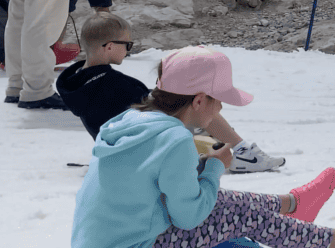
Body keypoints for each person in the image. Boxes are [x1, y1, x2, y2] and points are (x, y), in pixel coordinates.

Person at [70, 46, 335, 248]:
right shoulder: (173, 139)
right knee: (239, 216)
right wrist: (215, 166)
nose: (221, 111)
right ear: (199, 100)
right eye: (218, 102)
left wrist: (204, 171)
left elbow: (154, 185)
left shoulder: (128, 122)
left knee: (219, 200)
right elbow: (189, 216)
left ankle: (291, 205)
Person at [57, 14, 286, 169]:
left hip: (113, 146)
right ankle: (245, 153)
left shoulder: (70, 81)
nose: (129, 50)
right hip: (143, 150)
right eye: (127, 45)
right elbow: (160, 109)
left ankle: (223, 145)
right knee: (197, 100)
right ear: (109, 47)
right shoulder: (118, 84)